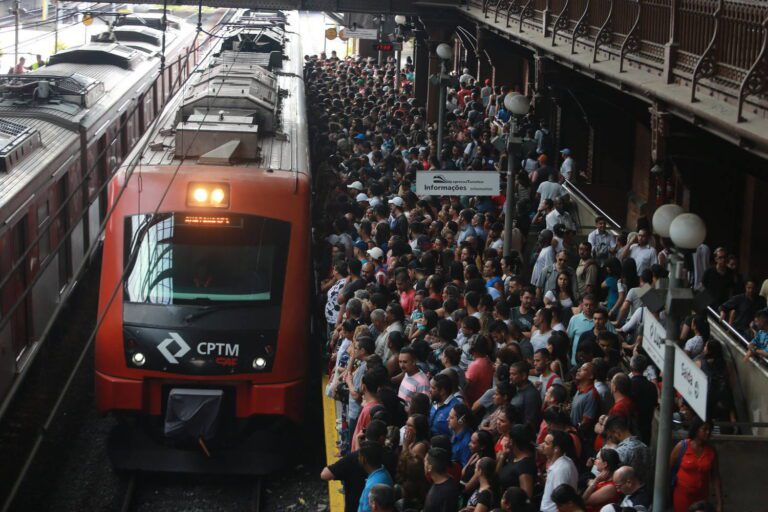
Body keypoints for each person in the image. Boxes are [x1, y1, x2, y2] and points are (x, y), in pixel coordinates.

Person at [670, 418, 723, 512]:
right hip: (682, 496)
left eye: (709, 430)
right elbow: (667, 470)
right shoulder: (682, 447)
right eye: (705, 429)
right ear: (696, 429)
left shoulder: (711, 451)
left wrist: (719, 503)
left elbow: (715, 477)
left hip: (701, 499)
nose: (708, 432)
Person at [602, 415, 650, 483]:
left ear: (617, 433)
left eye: (611, 437)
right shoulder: (645, 447)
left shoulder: (620, 451)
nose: (611, 440)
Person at [540, 430, 579, 512]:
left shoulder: (560, 470)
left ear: (556, 449)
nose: (542, 445)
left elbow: (561, 499)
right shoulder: (564, 462)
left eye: (546, 443)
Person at [496, 424, 537, 498]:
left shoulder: (525, 465)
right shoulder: (512, 457)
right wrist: (503, 456)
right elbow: (497, 476)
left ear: (511, 441)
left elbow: (526, 497)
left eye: (507, 438)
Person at [357, 441, 394, 512]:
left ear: (363, 459)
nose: (357, 458)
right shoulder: (383, 472)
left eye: (359, 455)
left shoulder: (371, 487)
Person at [423, 447, 461, 512]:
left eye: (425, 461)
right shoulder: (444, 482)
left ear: (430, 467)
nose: (423, 464)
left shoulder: (447, 492)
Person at [582, 448, 620, 512]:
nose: (595, 461)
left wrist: (595, 481)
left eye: (598, 459)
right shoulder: (603, 479)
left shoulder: (610, 487)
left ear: (605, 464)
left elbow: (583, 501)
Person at [509, 361, 542, 431]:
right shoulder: (515, 388)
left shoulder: (531, 395)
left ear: (523, 376)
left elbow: (530, 424)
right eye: (510, 374)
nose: (510, 377)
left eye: (513, 374)